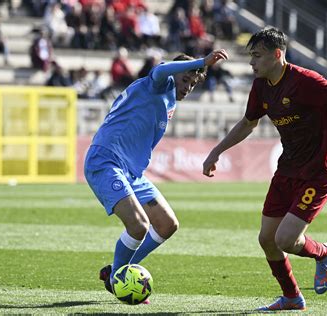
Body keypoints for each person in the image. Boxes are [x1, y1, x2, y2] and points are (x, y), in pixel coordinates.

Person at [202, 28, 327, 311]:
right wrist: (217, 151)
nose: (252, 63)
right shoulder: (261, 86)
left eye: (257, 56)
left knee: (285, 239)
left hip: (318, 171)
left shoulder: (305, 81)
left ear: (277, 55)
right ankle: (291, 297)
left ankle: (324, 252)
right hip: (287, 169)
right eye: (251, 56)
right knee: (267, 240)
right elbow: (248, 123)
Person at [84, 49, 229, 302]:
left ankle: (116, 271)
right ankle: (118, 277)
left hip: (132, 172)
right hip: (106, 160)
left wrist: (196, 70)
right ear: (175, 75)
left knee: (167, 224)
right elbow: (162, 69)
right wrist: (203, 62)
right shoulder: (158, 83)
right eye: (185, 80)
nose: (188, 87)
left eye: (193, 84)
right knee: (139, 225)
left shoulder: (170, 99)